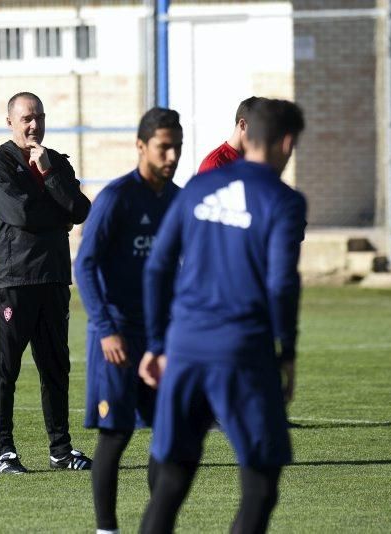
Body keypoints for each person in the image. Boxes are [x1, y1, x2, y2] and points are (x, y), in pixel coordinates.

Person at [139, 99, 307, 533]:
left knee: (172, 478)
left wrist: (158, 344)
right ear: (286, 142)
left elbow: (158, 266)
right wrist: (286, 351)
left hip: (186, 347)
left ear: (247, 133)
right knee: (260, 482)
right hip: (243, 352)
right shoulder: (283, 201)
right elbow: (281, 284)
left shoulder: (198, 186)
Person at [75, 108, 183, 534]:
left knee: (167, 435)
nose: (172, 155)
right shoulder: (116, 197)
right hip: (116, 336)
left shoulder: (177, 200)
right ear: (141, 146)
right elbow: (84, 266)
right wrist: (106, 330)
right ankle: (107, 530)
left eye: (177, 146)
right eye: (163, 147)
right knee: (115, 434)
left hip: (160, 340)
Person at [0, 91, 92, 474]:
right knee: (6, 368)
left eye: (39, 117)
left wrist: (48, 174)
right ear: (10, 120)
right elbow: (21, 213)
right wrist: (58, 215)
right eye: (27, 118)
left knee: (55, 368)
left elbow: (80, 210)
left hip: (53, 279)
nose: (34, 125)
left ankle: (61, 451)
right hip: (13, 280)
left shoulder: (56, 162)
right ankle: (5, 451)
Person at [198, 96, 264, 173]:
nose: (265, 135)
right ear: (243, 125)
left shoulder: (255, 160)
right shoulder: (215, 165)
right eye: (260, 128)